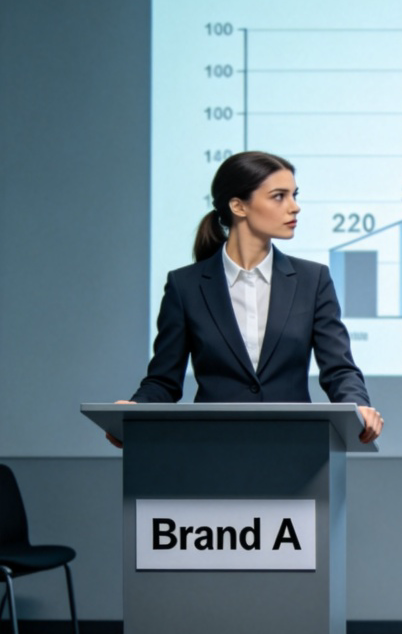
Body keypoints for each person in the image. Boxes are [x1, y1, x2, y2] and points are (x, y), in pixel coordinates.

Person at [114, 151, 381, 444]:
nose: (295, 207)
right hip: (212, 449)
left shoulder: (313, 280)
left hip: (295, 448)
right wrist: (135, 409)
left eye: (294, 195)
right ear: (238, 206)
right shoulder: (185, 285)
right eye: (279, 196)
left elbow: (339, 369)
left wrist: (359, 406)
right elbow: (164, 381)